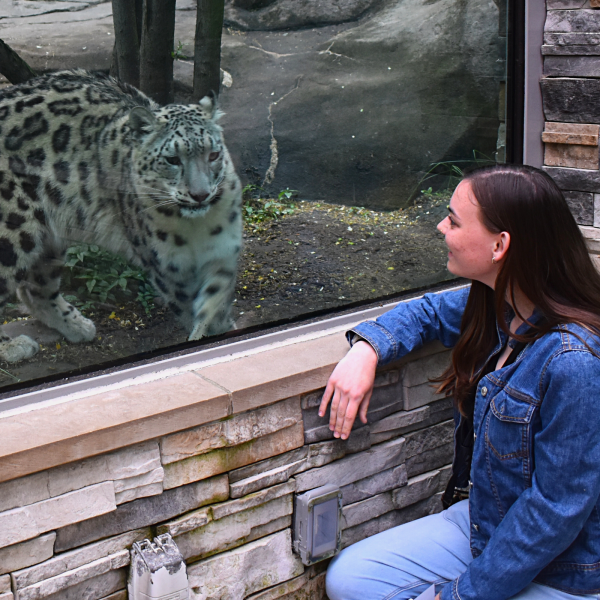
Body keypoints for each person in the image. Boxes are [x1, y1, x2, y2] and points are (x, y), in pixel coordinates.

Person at [320, 164, 600, 600]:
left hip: (560, 569)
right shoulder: (500, 303)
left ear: (499, 245)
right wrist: (365, 350)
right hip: (487, 525)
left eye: (452, 220)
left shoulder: (574, 362)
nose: (440, 227)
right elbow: (428, 312)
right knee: (350, 580)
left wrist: (457, 595)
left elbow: (554, 513)